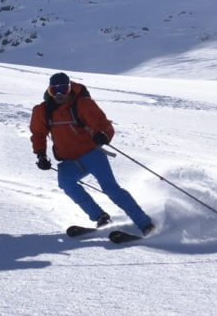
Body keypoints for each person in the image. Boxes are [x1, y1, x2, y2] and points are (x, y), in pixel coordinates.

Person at [30, 71, 155, 236]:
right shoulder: (43, 111)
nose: (59, 94)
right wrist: (41, 155)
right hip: (69, 160)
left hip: (91, 154)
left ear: (69, 89)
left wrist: (103, 134)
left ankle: (145, 224)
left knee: (110, 189)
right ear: (49, 91)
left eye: (63, 90)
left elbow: (103, 124)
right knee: (66, 183)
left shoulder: (82, 104)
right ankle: (100, 216)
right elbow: (38, 134)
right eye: (55, 91)